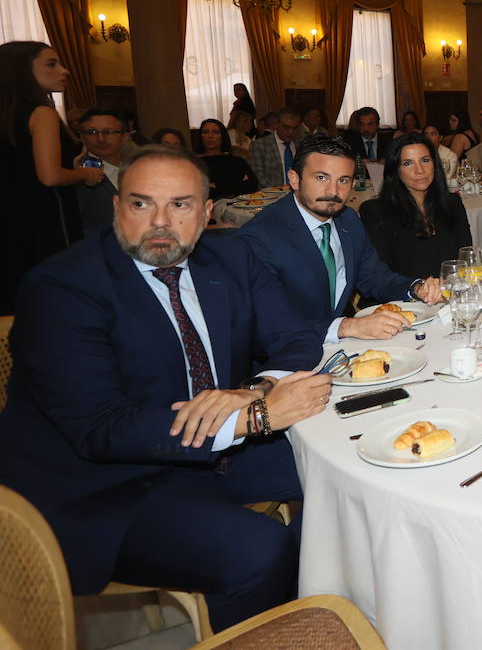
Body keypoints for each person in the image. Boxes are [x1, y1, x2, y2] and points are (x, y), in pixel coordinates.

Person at [0, 146, 331, 631]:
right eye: (141, 204)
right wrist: (254, 417)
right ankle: (251, 632)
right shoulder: (62, 288)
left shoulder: (232, 257)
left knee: (344, 473)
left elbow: (295, 335)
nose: (160, 221)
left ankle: (310, 610)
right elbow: (100, 428)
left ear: (205, 211)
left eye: (179, 204)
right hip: (107, 481)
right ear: (117, 208)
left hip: (212, 448)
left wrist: (257, 389)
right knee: (260, 551)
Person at [237, 134, 442, 343]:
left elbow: (373, 277)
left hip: (340, 349)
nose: (333, 191)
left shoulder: (347, 220)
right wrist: (346, 326)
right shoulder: (259, 238)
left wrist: (416, 288)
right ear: (294, 179)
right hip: (286, 360)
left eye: (343, 180)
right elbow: (266, 322)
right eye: (321, 178)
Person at [0, 42, 102, 313]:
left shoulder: (8, 113)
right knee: (54, 302)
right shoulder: (41, 112)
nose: (65, 71)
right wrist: (85, 174)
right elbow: (49, 176)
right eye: (51, 64)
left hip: (9, 222)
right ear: (23, 71)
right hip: (43, 220)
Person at [360, 132, 473, 283]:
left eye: (425, 160)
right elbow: (379, 276)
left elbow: (465, 259)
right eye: (408, 163)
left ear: (435, 164)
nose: (419, 170)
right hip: (404, 301)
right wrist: (417, 289)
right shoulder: (376, 212)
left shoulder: (452, 203)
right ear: (396, 170)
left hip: (450, 297)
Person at [74, 108, 131, 237]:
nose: (100, 138)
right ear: (82, 138)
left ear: (125, 137)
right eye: (92, 132)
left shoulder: (135, 171)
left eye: (108, 132)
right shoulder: (77, 174)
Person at [194, 118, 258, 198]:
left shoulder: (236, 161)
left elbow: (252, 184)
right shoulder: (193, 163)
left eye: (215, 132)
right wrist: (232, 186)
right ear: (201, 136)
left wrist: (217, 185)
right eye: (206, 132)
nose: (210, 136)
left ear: (222, 137)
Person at [248, 108, 302, 188]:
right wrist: (281, 191)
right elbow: (258, 176)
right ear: (276, 125)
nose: (290, 132)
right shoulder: (260, 145)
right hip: (271, 195)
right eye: (286, 127)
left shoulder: (300, 144)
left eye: (294, 128)